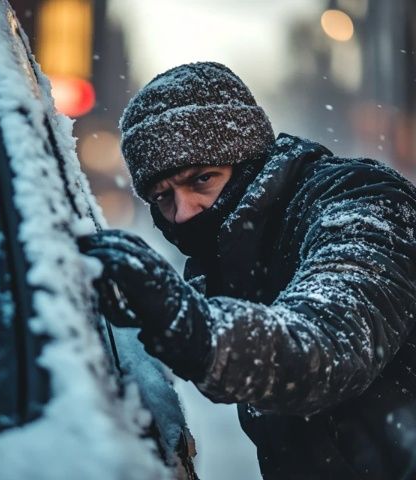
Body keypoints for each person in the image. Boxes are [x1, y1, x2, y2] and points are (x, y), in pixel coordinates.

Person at [79, 61, 416, 479]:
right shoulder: (224, 262)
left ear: (251, 161)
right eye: (163, 196)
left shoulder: (360, 203)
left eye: (202, 179)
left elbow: (329, 339)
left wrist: (191, 324)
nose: (183, 213)